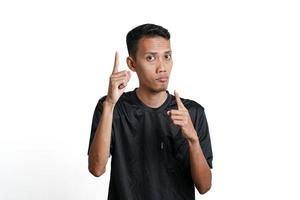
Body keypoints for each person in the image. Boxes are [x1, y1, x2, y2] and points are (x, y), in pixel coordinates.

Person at [87, 23, 213, 200]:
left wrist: (193, 140)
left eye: (167, 56)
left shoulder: (192, 112)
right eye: (151, 58)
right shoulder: (111, 107)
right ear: (132, 63)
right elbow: (96, 169)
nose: (162, 67)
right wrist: (109, 104)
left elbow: (204, 186)